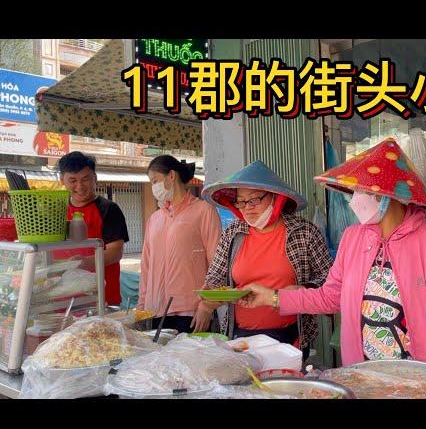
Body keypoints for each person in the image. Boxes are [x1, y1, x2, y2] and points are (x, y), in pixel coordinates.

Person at [241, 139, 426, 378]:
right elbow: (330, 296)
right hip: (366, 378)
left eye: (359, 191)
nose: (353, 200)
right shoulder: (352, 239)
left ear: (386, 196)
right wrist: (271, 297)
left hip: (424, 379)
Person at [194, 160, 332, 359]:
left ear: (276, 197)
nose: (247, 208)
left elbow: (328, 281)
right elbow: (216, 276)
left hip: (291, 336)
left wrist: (294, 292)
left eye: (254, 200)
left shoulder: (304, 232)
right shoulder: (233, 233)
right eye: (240, 202)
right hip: (241, 337)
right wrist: (210, 297)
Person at [138, 155, 222, 334]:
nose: (154, 188)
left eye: (155, 181)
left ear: (171, 176)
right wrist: (142, 306)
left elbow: (218, 264)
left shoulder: (204, 211)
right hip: (156, 312)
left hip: (191, 313)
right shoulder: (155, 218)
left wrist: (207, 305)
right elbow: (146, 266)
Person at [56, 151, 129, 306]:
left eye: (85, 179)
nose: (80, 186)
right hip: (62, 299)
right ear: (62, 180)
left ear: (95, 179)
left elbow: (115, 252)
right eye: (73, 180)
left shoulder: (108, 209)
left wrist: (84, 262)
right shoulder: (56, 209)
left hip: (101, 297)